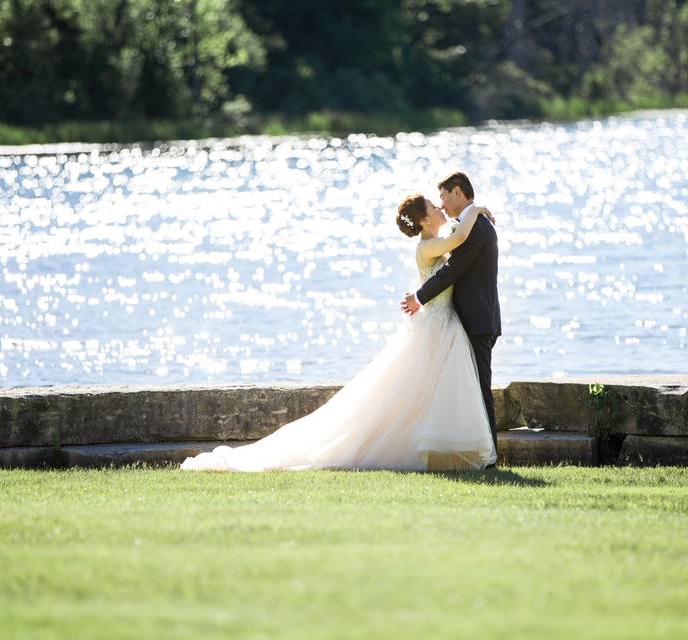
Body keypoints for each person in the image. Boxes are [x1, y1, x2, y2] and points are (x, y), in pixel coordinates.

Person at [180, 181, 497, 472]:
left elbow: (456, 244)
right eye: (433, 205)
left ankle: (445, 450)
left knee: (428, 393)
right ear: (425, 221)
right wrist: (476, 209)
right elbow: (457, 240)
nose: (439, 207)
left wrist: (471, 212)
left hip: (443, 325)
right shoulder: (428, 247)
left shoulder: (435, 241)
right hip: (435, 326)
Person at [402, 171, 502, 460]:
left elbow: (452, 270)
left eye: (443, 197)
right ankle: (481, 455)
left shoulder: (476, 228)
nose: (441, 204)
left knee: (479, 389)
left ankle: (488, 456)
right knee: (461, 389)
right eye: (436, 204)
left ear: (458, 192)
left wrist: (420, 297)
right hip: (458, 321)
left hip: (476, 320)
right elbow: (451, 263)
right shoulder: (466, 226)